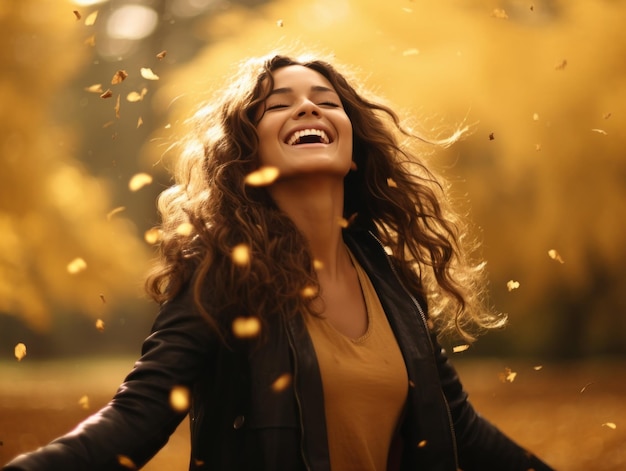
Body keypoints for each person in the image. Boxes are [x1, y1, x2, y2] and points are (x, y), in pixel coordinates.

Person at [3, 52, 554, 471]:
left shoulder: (391, 280)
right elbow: (138, 416)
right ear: (250, 148)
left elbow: (459, 427)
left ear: (354, 142)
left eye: (325, 99)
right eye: (278, 104)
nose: (308, 107)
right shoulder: (224, 273)